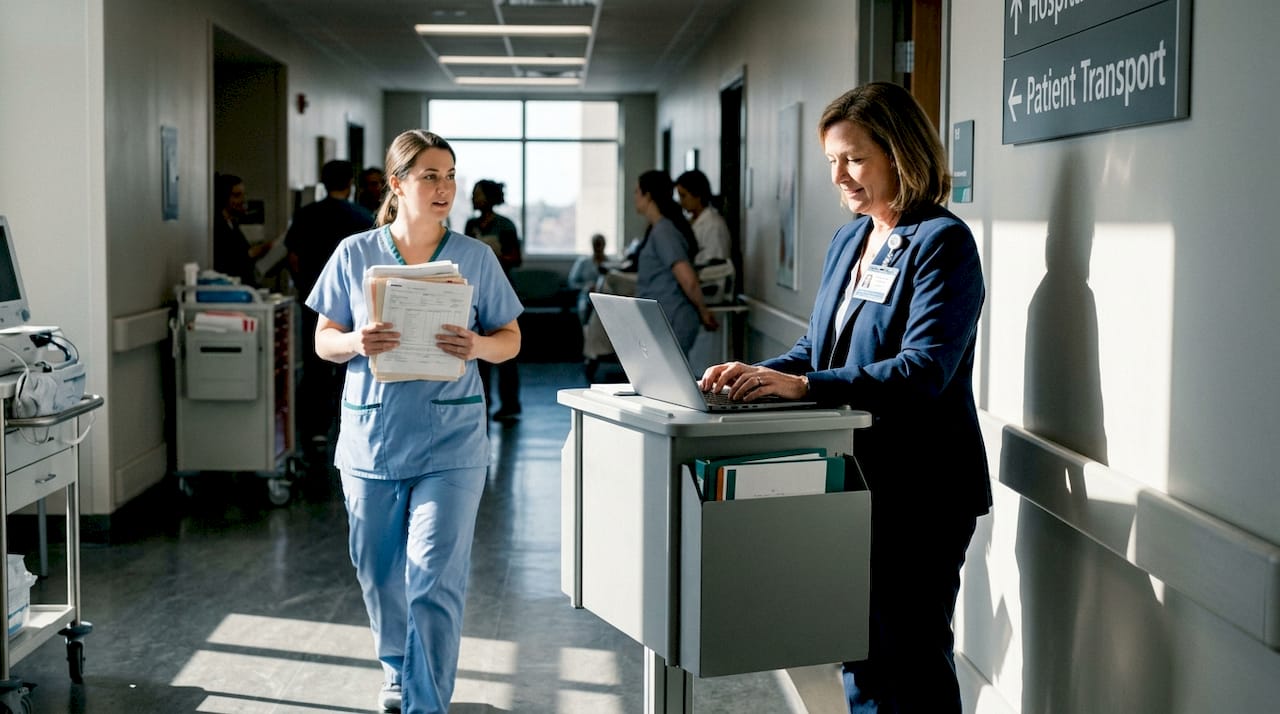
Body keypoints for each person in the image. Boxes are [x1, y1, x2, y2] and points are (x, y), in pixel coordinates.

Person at [699, 82, 990, 714]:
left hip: (921, 488)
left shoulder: (942, 242)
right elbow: (815, 352)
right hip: (850, 475)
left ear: (899, 153)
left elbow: (923, 370)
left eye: (854, 158)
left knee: (908, 658)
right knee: (857, 652)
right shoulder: (848, 242)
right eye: (832, 161)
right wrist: (751, 376)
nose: (840, 176)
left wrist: (804, 387)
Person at [305, 130, 522, 714]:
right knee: (377, 573)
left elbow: (511, 339)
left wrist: (476, 344)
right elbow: (323, 340)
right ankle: (397, 669)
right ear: (397, 183)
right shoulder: (355, 253)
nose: (444, 187)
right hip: (372, 440)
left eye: (449, 175)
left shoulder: (475, 257)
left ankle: (427, 704)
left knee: (432, 579)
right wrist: (355, 339)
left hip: (451, 444)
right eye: (430, 175)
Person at [284, 160, 374, 452]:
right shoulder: (363, 217)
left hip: (316, 301)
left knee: (316, 365)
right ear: (351, 182)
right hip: (358, 304)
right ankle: (349, 426)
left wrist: (305, 288)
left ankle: (317, 429)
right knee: (356, 363)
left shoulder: (307, 215)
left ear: (322, 181)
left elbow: (294, 258)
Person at [633, 169, 718, 352]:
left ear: (647, 196)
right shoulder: (658, 230)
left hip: (673, 317)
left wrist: (703, 312)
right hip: (661, 317)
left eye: (637, 192)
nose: (635, 197)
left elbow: (688, 279)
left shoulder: (664, 232)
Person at [464, 179, 523, 421]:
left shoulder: (505, 225)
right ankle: (483, 401)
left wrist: (492, 257)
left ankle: (510, 404)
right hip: (475, 290)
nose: (473, 198)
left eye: (478, 194)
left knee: (505, 352)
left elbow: (516, 258)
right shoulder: (471, 224)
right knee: (480, 351)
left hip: (502, 288)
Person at [213, 173, 272, 287]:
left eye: (243, 195)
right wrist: (264, 248)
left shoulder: (233, 224)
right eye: (236, 195)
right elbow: (236, 258)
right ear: (224, 196)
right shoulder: (218, 226)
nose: (242, 200)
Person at [675, 169, 732, 265]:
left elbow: (716, 264)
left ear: (697, 194)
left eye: (683, 196)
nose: (681, 202)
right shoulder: (691, 221)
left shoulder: (713, 225)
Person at [567, 233, 608, 323]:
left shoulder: (609, 263)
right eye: (596, 244)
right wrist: (585, 286)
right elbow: (572, 282)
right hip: (585, 296)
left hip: (603, 296)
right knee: (584, 309)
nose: (598, 248)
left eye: (600, 244)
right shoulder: (583, 262)